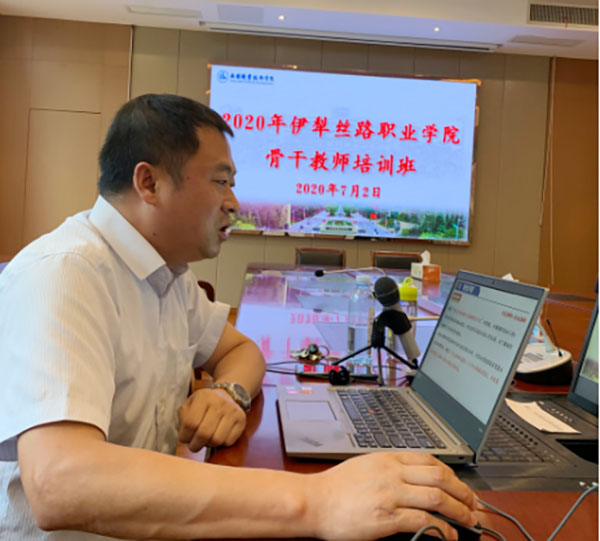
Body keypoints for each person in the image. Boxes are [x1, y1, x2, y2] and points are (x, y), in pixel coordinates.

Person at [0, 94, 478, 540]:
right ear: (149, 183)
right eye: (220, 181)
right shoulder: (65, 274)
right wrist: (319, 499)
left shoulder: (167, 274)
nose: (233, 202)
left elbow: (242, 350)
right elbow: (60, 482)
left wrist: (227, 393)